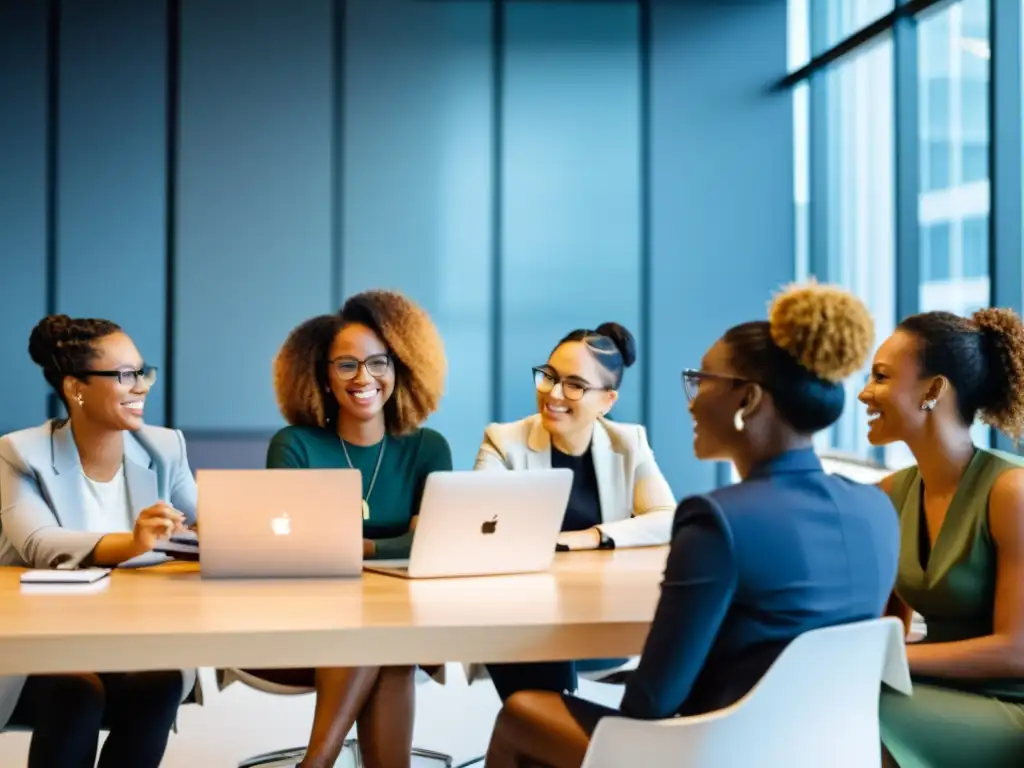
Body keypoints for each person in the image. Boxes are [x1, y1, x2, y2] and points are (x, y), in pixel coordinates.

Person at [484, 282, 900, 768]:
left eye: (702, 381)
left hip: (711, 754)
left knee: (522, 712)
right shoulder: (878, 508)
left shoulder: (717, 520)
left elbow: (650, 705)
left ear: (748, 399)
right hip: (823, 753)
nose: (691, 402)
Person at [240, 290, 452, 768]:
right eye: (347, 365)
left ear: (400, 369)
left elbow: (432, 543)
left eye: (378, 363)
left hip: (401, 620)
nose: (364, 378)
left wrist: (358, 547)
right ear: (323, 375)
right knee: (383, 635)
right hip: (305, 617)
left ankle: (317, 762)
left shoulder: (428, 448)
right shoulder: (294, 445)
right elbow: (292, 547)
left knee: (386, 634)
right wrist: (388, 546)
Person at [0, 314, 196, 768]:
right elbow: (41, 544)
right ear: (76, 388)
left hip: (131, 639)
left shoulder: (165, 448)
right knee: (77, 690)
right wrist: (134, 543)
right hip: (38, 648)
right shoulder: (19, 454)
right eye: (125, 375)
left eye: (143, 372)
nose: (141, 386)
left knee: (163, 679)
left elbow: (211, 525)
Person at [474, 322, 675, 701]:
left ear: (607, 401)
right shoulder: (504, 441)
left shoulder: (629, 442)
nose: (553, 394)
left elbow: (668, 517)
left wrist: (590, 537)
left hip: (600, 618)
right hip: (523, 617)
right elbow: (479, 524)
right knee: (541, 700)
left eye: (575, 385)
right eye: (549, 377)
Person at [858, 309, 1024, 768]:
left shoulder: (1010, 492)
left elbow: (1017, 652)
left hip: (1012, 707)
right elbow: (884, 629)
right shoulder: (890, 495)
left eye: (881, 377)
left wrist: (887, 658)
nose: (864, 393)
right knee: (835, 690)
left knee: (860, 704)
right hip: (941, 692)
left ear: (933, 390)